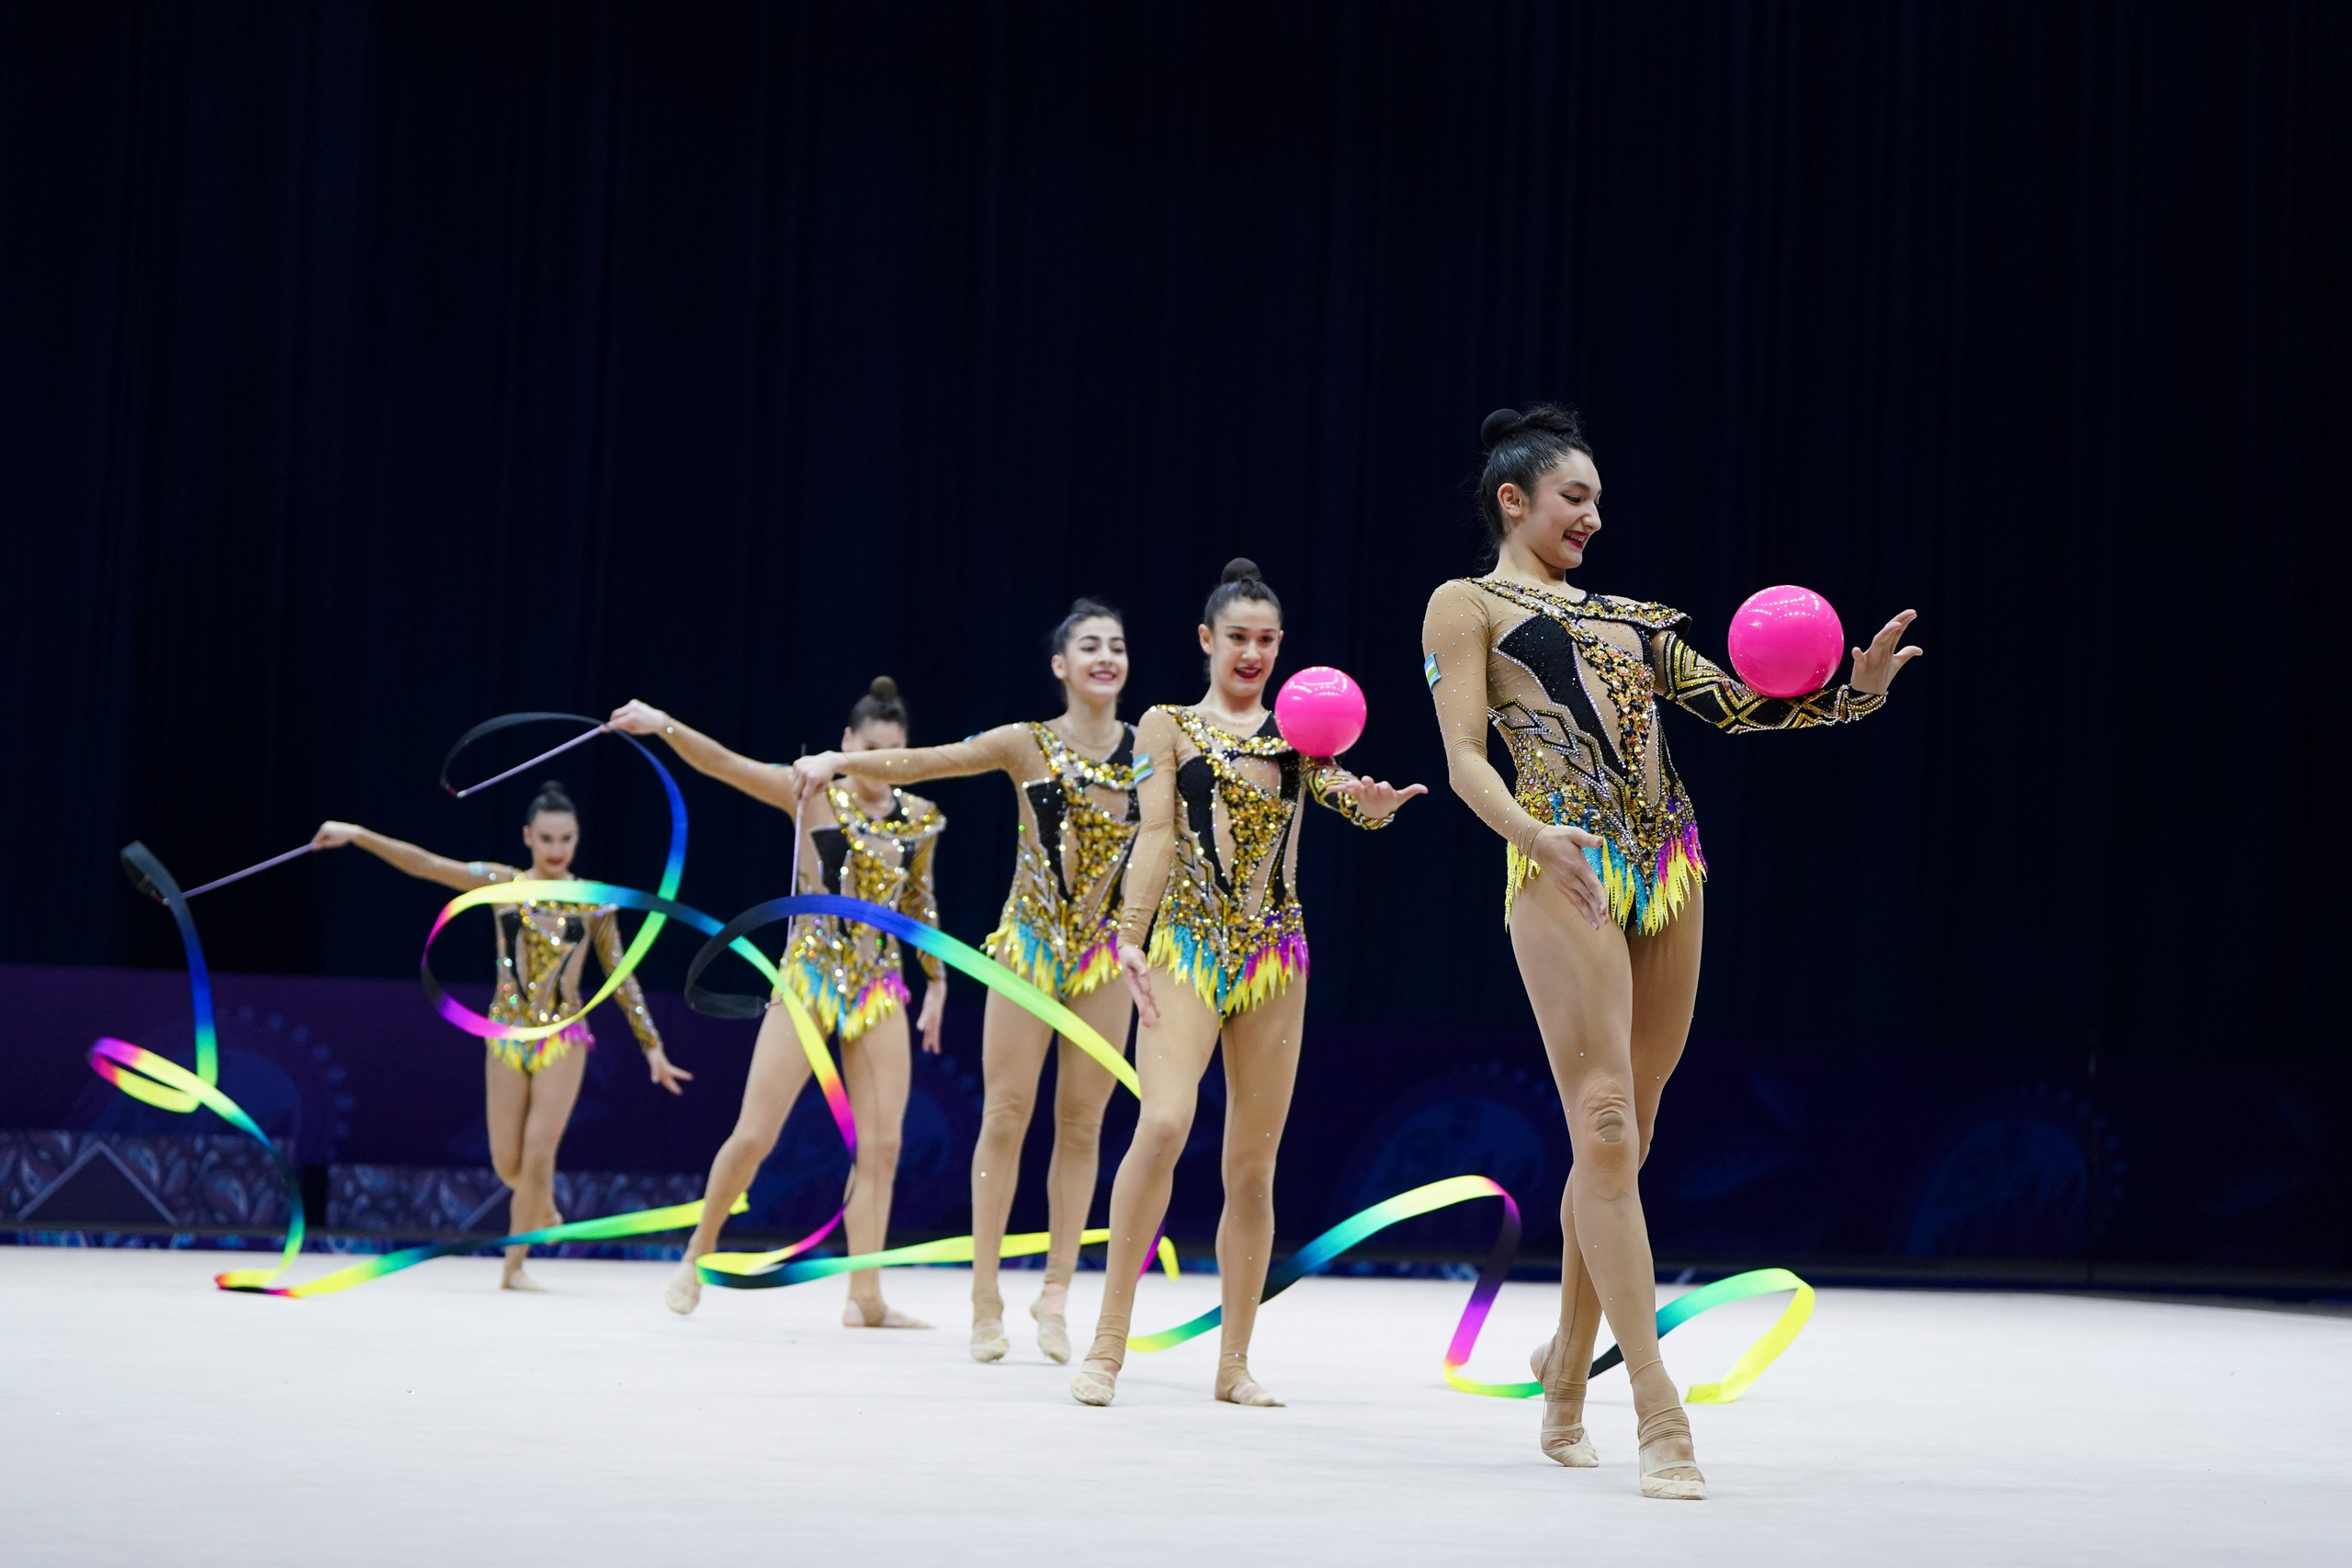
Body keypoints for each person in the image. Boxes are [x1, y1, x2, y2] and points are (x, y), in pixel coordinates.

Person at [1421, 405, 1921, 1499]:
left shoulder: (1635, 620)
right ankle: (1658, 1413)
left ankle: (1560, 1379)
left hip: (1672, 869)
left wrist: (1851, 698)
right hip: (1562, 868)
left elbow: (1739, 705)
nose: (1593, 516)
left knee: (1625, 1144)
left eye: (1597, 501)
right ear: (1514, 501)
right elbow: (1463, 755)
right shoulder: (1467, 605)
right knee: (1602, 1124)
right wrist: (1533, 838)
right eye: (1574, 498)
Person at [1069, 559, 1424, 1409]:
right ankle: (1107, 1345)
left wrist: (1372, 802)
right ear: (1207, 640)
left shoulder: (1301, 727)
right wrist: (1127, 933)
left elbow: (1341, 793)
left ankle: (1234, 1362)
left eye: (1268, 639)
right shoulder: (1165, 723)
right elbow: (1154, 833)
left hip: (1274, 959)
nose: (1254, 652)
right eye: (1239, 637)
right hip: (1186, 948)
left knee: (1253, 1167)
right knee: (1162, 1121)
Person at [791, 600, 1143, 1365]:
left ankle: (1054, 1295)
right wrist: (841, 763)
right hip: (1026, 949)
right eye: (1089, 645)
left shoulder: (1151, 748)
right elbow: (934, 760)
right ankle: (986, 1299)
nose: (1105, 656)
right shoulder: (1027, 741)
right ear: (1062, 665)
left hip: (1104, 961)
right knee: (1007, 1115)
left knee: (1081, 1125)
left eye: (1116, 645)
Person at [608, 679, 948, 1329]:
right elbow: (726, 764)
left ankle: (865, 1296)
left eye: (893, 753)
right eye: (868, 748)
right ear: (846, 744)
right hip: (810, 977)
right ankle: (696, 1254)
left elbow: (920, 905)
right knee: (756, 1132)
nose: (879, 763)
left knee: (881, 1147)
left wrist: (935, 981)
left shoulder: (921, 817)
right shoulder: (809, 794)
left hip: (878, 986)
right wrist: (664, 722)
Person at [311, 783, 692, 1291]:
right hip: (504, 1033)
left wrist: (653, 1047)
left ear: (577, 839)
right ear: (528, 837)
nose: (557, 850)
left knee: (537, 1152)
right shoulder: (501, 883)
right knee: (508, 1163)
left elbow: (621, 976)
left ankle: (514, 1267)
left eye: (567, 839)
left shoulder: (594, 903)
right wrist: (358, 834)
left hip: (564, 1035)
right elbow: (426, 864)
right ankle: (541, 1200)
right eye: (548, 838)